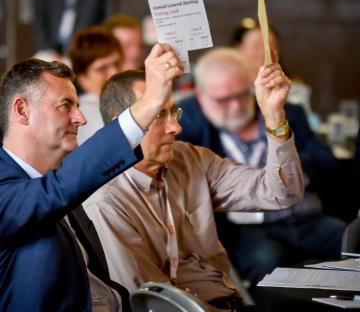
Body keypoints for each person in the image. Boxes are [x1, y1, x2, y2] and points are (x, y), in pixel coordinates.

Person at [83, 58, 304, 310]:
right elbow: (149, 302)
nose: (175, 127)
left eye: (174, 113)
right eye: (159, 116)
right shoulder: (106, 199)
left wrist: (274, 117)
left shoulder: (189, 158)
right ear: (121, 125)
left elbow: (283, 193)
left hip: (229, 301)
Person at [0, 43, 183, 311]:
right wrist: (147, 106)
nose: (81, 118)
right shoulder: (16, 189)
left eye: (77, 105)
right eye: (65, 106)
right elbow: (56, 191)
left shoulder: (58, 184)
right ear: (22, 111)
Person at [176, 47, 346, 292]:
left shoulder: (287, 112)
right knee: (265, 262)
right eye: (223, 99)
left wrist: (286, 167)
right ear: (201, 97)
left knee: (351, 241)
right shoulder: (191, 130)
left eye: (242, 94)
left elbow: (327, 162)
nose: (235, 105)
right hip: (249, 230)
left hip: (306, 219)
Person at [67, 26, 123, 144]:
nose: (114, 72)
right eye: (102, 68)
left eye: (117, 63)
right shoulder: (84, 115)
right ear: (83, 79)